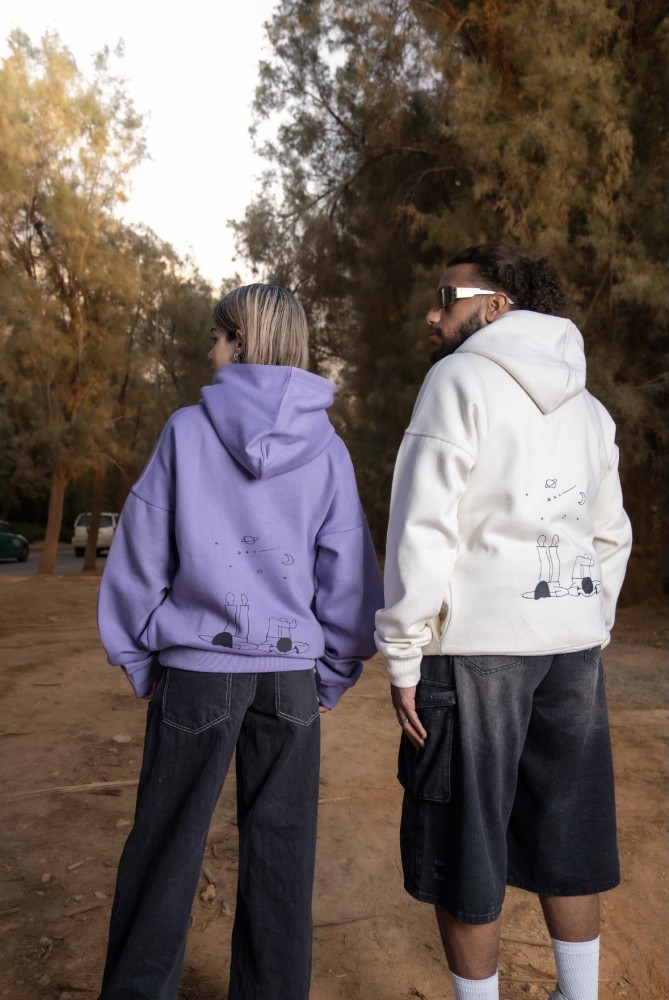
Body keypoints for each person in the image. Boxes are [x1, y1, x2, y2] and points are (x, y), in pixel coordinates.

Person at [96, 283, 383, 1000]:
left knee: (164, 849)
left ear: (242, 341)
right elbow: (348, 574)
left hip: (196, 672)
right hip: (289, 678)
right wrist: (330, 673)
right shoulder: (328, 449)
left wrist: (141, 658)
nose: (210, 352)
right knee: (282, 855)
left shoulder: (186, 431)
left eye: (216, 338)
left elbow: (140, 553)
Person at [374, 244, 632, 1000]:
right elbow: (609, 535)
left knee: (468, 845)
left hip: (476, 652)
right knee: (568, 834)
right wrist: (586, 619)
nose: (432, 314)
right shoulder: (590, 409)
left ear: (495, 306)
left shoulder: (456, 380)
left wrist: (403, 653)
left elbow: (423, 527)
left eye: (445, 296)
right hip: (570, 648)